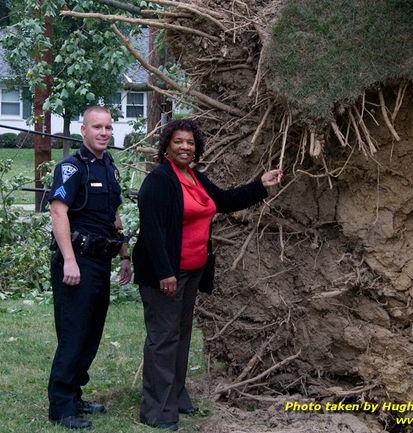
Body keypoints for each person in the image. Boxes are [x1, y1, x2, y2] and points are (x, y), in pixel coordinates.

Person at [133, 119, 282, 430]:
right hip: (165, 274)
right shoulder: (159, 181)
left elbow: (225, 201)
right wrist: (165, 272)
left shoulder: (196, 178)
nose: (185, 147)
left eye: (190, 142)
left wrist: (260, 184)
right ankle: (155, 410)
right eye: (178, 142)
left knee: (181, 334)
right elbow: (153, 232)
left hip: (191, 270)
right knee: (163, 338)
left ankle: (174, 396)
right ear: (167, 147)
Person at [47, 105, 131, 430]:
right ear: (83, 130)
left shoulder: (109, 167)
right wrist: (69, 259)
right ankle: (61, 407)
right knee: (74, 333)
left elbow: (114, 216)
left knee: (92, 332)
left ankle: (75, 394)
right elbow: (58, 213)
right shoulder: (71, 167)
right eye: (97, 127)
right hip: (76, 261)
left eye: (108, 127)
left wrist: (124, 254)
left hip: (100, 261)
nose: (104, 133)